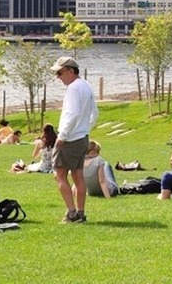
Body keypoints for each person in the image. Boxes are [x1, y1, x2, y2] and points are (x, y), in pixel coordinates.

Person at [52, 56, 99, 223]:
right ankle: (80, 213)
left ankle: (71, 213)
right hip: (81, 137)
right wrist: (85, 128)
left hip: (70, 138)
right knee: (78, 176)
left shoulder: (73, 88)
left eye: (60, 73)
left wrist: (63, 136)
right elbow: (95, 112)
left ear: (71, 71)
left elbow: (71, 114)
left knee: (59, 175)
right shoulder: (86, 85)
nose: (58, 77)